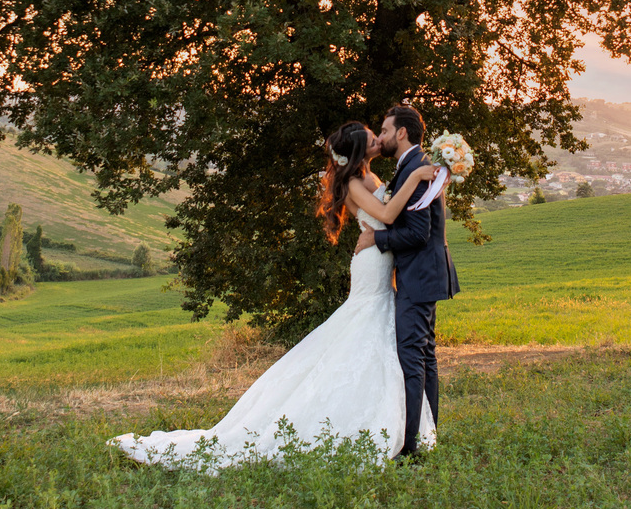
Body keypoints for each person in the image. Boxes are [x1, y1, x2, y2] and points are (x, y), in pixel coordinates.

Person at [109, 120, 439, 469]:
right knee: (363, 328)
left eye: (379, 136)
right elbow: (387, 213)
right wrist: (418, 178)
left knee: (377, 336)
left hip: (382, 258)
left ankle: (394, 425)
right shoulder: (355, 184)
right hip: (371, 263)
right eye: (373, 139)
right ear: (359, 151)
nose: (379, 141)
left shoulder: (370, 178)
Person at [355, 103, 461, 458]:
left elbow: (417, 233)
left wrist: (378, 239)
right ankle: (427, 437)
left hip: (419, 273)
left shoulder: (416, 168)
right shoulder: (413, 168)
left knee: (413, 360)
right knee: (425, 358)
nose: (381, 137)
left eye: (384, 131)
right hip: (425, 272)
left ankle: (411, 448)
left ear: (401, 133)